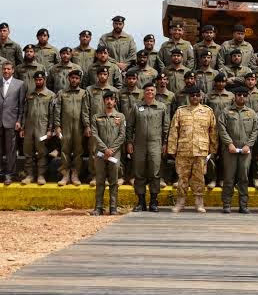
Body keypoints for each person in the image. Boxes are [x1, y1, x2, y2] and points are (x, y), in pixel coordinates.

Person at [167, 85, 217, 213]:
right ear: (189, 97)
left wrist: (213, 149)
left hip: (200, 150)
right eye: (192, 95)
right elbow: (173, 131)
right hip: (183, 150)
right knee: (182, 177)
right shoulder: (180, 111)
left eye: (197, 95)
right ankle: (180, 202)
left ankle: (199, 202)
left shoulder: (208, 111)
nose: (195, 97)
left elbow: (213, 131)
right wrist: (172, 149)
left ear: (201, 97)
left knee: (199, 177)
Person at [126, 83, 170, 212]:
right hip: (139, 144)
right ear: (143, 92)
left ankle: (154, 201)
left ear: (155, 92)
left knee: (155, 173)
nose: (150, 92)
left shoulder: (161, 107)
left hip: (155, 144)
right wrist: (129, 142)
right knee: (139, 173)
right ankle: (141, 202)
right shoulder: (136, 107)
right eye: (147, 90)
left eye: (152, 90)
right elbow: (130, 126)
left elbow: (166, 127)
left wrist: (165, 143)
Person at [217, 87, 258, 213]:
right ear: (234, 96)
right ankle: (227, 204)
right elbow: (221, 129)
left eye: (244, 95)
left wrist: (249, 145)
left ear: (247, 97)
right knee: (229, 178)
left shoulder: (251, 113)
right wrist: (229, 144)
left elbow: (255, 131)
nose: (241, 97)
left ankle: (243, 205)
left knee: (244, 178)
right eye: (239, 94)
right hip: (230, 149)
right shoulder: (226, 112)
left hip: (245, 150)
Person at [0, 62, 26, 185]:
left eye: (8, 69)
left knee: (11, 150)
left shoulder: (20, 84)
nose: (6, 71)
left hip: (12, 121)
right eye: (4, 69)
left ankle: (10, 174)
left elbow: (21, 105)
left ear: (13, 70)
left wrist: (19, 120)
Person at [90, 90, 127, 216]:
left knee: (113, 180)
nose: (109, 101)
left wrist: (111, 149)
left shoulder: (120, 117)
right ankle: (98, 207)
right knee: (100, 180)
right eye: (107, 99)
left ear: (115, 101)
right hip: (100, 153)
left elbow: (122, 135)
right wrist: (104, 149)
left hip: (114, 153)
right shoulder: (96, 117)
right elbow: (94, 135)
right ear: (104, 101)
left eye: (111, 99)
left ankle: (113, 207)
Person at [83, 67, 117, 185]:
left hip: (110, 127)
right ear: (97, 76)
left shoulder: (114, 90)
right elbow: (85, 109)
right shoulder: (90, 89)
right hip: (95, 126)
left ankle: (108, 176)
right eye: (101, 74)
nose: (103, 76)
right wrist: (87, 125)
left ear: (108, 75)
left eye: (105, 74)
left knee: (109, 151)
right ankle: (95, 176)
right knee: (95, 152)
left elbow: (117, 110)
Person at [21, 71, 55, 185]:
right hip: (29, 127)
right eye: (36, 80)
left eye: (40, 80)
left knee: (42, 152)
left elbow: (52, 114)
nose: (38, 82)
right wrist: (22, 127)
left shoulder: (50, 95)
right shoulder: (30, 94)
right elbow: (24, 112)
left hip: (43, 127)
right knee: (28, 152)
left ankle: (41, 175)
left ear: (44, 80)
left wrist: (50, 129)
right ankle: (30, 175)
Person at [54, 69, 86, 187]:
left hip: (79, 127)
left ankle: (75, 174)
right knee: (65, 150)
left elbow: (86, 110)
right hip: (65, 126)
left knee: (78, 151)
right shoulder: (62, 93)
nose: (74, 80)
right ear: (69, 79)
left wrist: (87, 126)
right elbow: (57, 110)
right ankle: (65, 174)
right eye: (72, 78)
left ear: (79, 80)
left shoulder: (83, 93)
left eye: (77, 78)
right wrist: (57, 126)